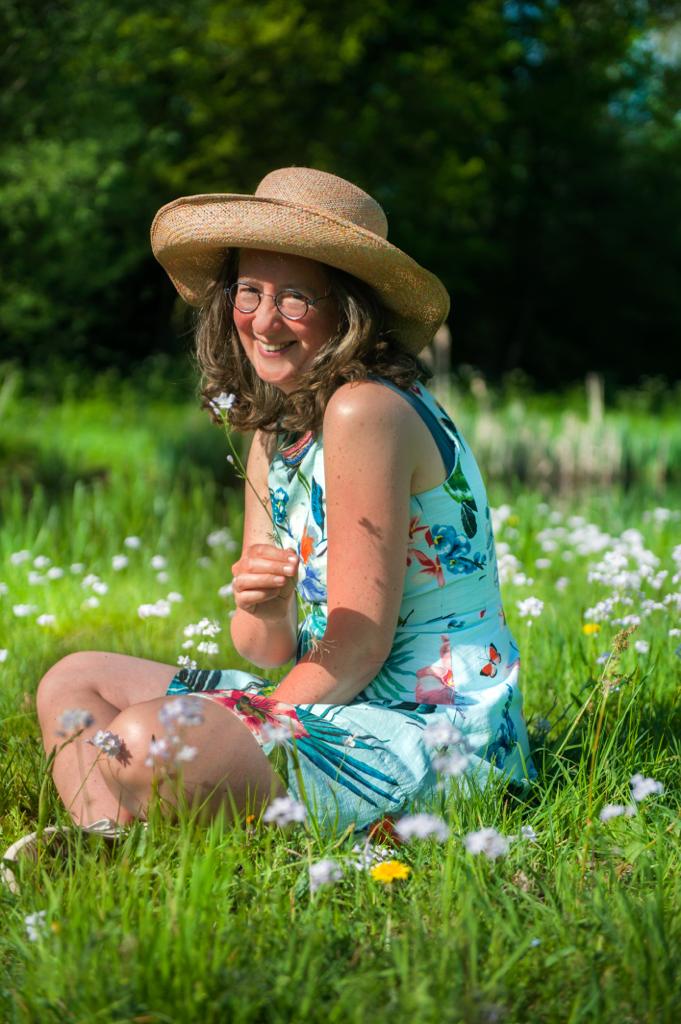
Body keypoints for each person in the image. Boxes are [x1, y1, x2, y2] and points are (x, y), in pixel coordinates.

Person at [34, 167, 534, 837]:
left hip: (429, 731)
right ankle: (103, 839)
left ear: (348, 310)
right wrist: (263, 605)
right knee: (75, 679)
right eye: (249, 291)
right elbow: (265, 645)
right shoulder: (272, 432)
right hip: (329, 699)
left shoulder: (366, 412)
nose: (265, 320)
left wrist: (251, 720)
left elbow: (357, 647)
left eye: (297, 297)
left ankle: (139, 808)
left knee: (152, 740)